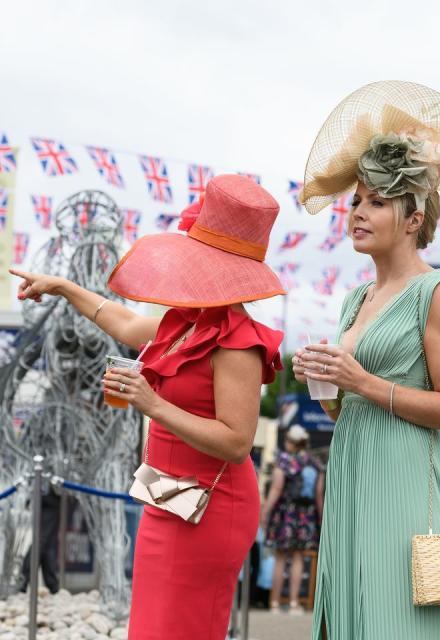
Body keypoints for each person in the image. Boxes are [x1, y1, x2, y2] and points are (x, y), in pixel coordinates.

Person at [11, 174, 284, 640]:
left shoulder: (238, 340)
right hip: (165, 497)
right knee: (152, 628)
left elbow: (237, 443)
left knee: (183, 628)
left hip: (209, 506)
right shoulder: (186, 320)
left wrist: (152, 404)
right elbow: (123, 321)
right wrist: (64, 287)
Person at [291, 80, 440, 640]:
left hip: (407, 475)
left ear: (413, 219)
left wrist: (360, 377)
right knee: (349, 613)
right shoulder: (355, 299)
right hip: (352, 465)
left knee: (395, 620)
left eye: (376, 202)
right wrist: (325, 382)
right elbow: (345, 407)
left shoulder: (439, 293)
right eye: (356, 200)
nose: (356, 212)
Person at [260, 425, 324, 615]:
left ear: (291, 442)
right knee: (298, 558)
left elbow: (276, 490)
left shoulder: (284, 461)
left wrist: (265, 512)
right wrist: (320, 518)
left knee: (280, 558)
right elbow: (319, 494)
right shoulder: (314, 463)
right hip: (306, 516)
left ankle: (275, 603)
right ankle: (295, 603)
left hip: (285, 514)